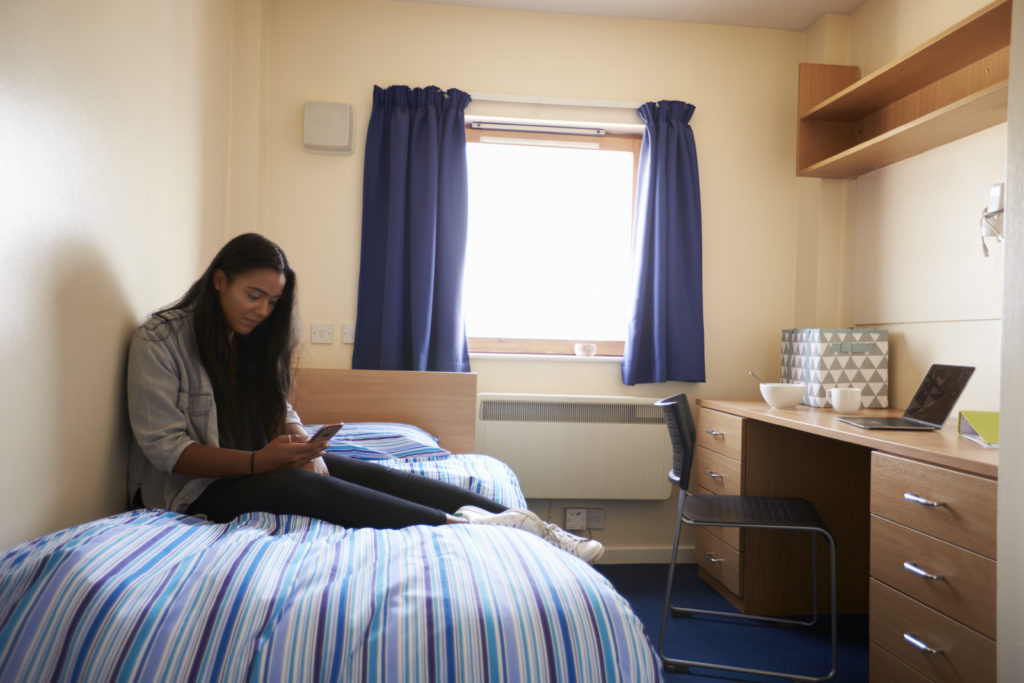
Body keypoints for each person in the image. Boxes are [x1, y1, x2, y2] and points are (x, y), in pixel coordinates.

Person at [126, 233, 603, 563]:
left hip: (265, 461)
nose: (262, 311)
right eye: (254, 295)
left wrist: (298, 442)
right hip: (199, 492)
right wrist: (259, 462)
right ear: (219, 280)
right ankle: (468, 529)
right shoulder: (161, 340)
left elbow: (280, 406)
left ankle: (535, 526)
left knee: (369, 473)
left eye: (273, 302)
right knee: (301, 487)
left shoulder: (251, 339)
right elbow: (167, 451)